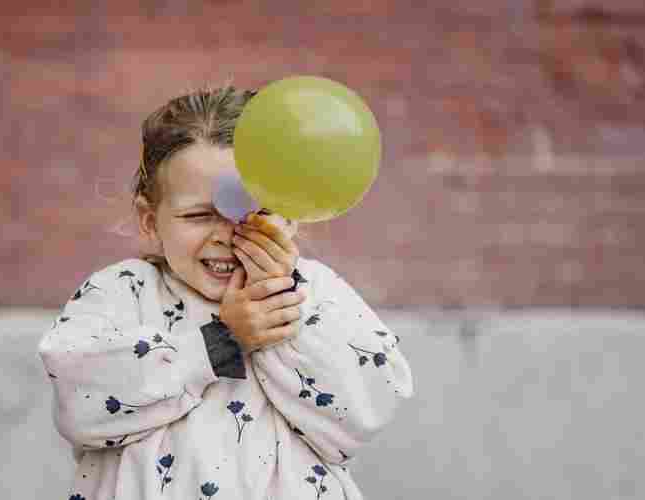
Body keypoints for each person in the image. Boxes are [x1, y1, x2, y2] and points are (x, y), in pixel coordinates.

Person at [37, 85, 413, 500]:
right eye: (198, 216)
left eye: (254, 215)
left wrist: (279, 306)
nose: (225, 236)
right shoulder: (120, 292)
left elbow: (360, 416)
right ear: (149, 220)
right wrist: (222, 342)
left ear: (291, 210)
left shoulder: (315, 294)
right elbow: (82, 406)